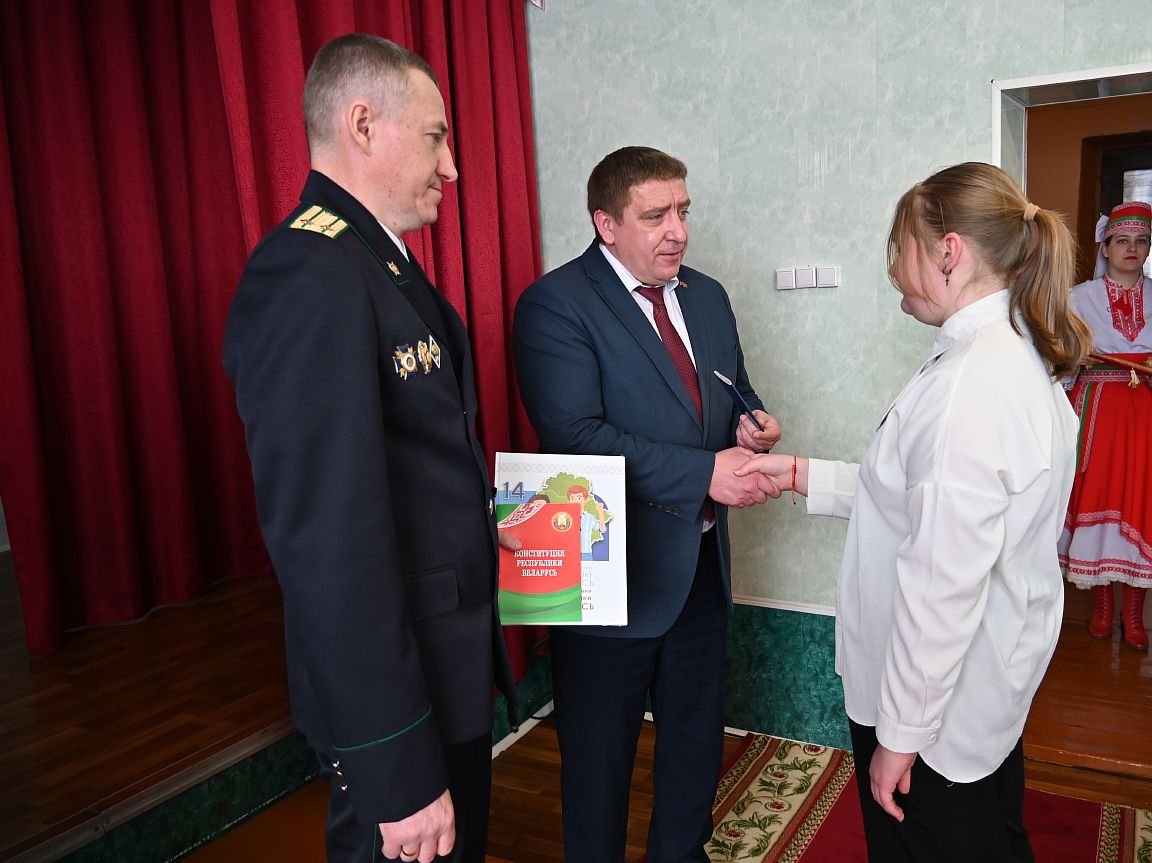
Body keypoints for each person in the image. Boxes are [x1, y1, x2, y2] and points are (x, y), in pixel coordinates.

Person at [734, 163, 1092, 862]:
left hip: (937, 711)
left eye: (897, 247)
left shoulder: (967, 386)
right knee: (996, 834)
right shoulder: (1009, 355)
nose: (892, 267)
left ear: (948, 251)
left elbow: (940, 585)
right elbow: (918, 496)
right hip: (990, 677)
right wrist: (801, 474)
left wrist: (900, 736)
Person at [223, 34, 515, 863]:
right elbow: (330, 546)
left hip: (442, 671)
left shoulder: (373, 262)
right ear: (362, 124)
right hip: (399, 704)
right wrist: (395, 762)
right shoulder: (309, 271)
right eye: (435, 137)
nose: (451, 166)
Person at [513, 146, 781, 863]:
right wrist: (707, 474)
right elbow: (575, 436)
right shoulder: (554, 304)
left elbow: (733, 391)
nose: (679, 231)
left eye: (683, 211)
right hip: (605, 570)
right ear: (606, 223)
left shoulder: (708, 295)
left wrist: (750, 423)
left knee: (695, 746)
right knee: (598, 761)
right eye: (656, 215)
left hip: (700, 565)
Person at [1058, 201, 1152, 651]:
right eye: (1122, 241)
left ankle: (1133, 615)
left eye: (1141, 241)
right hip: (1096, 411)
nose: (1131, 249)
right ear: (1106, 246)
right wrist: (1075, 359)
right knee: (1098, 497)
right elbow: (1059, 357)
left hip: (1145, 413)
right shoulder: (1078, 299)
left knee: (1142, 502)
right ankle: (1100, 606)